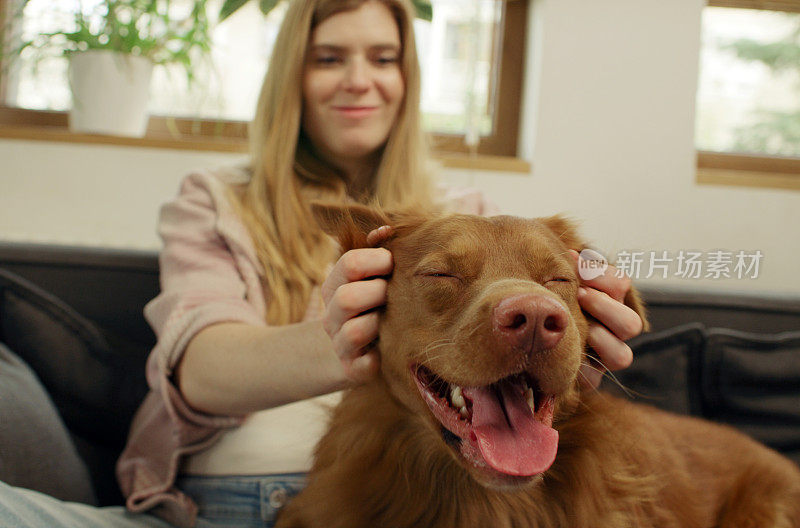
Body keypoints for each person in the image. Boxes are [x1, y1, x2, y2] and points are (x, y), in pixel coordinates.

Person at [0, 0, 644, 527]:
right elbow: (197, 370)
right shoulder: (216, 202)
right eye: (329, 57)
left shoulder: (471, 215)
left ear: (407, 78)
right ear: (292, 77)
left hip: (397, 510)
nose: (359, 78)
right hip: (208, 510)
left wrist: (577, 333)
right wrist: (353, 337)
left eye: (383, 58)